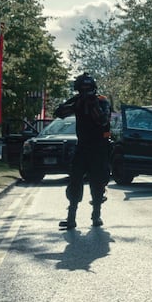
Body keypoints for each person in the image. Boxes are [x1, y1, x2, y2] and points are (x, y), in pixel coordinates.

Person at [55, 73, 112, 229]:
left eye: (87, 89)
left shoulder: (102, 101)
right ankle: (71, 217)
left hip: (99, 147)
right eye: (82, 89)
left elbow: (103, 120)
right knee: (75, 180)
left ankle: (96, 215)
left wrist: (92, 105)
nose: (85, 92)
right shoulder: (78, 101)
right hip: (82, 146)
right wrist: (73, 105)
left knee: (98, 182)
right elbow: (59, 113)